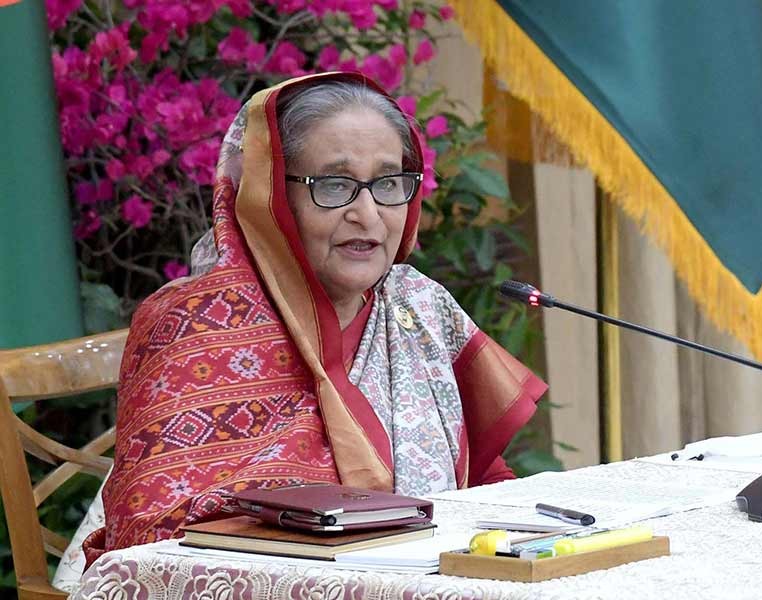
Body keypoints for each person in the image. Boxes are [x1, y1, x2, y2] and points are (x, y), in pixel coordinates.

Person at [82, 72, 546, 565]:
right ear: (270, 197)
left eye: (388, 183)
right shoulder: (193, 322)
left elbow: (482, 478)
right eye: (335, 184)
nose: (368, 215)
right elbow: (151, 544)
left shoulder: (417, 307)